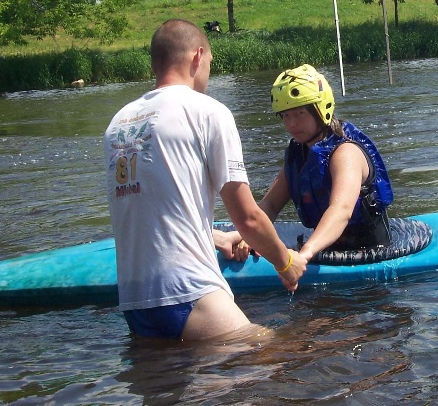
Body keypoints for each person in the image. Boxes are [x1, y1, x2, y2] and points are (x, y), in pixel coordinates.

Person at [104, 19, 306, 341]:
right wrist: (286, 263)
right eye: (209, 64)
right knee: (282, 355)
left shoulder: (119, 123)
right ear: (198, 57)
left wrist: (215, 236)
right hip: (190, 293)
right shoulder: (208, 112)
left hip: (135, 302)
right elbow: (249, 217)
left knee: (175, 388)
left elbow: (153, 211)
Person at [258, 64, 394, 261]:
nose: (291, 124)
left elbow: (341, 211)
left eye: (300, 113)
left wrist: (305, 254)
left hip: (369, 252)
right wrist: (247, 236)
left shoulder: (345, 153)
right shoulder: (300, 154)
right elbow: (270, 204)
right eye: (286, 115)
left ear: (321, 109)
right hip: (325, 249)